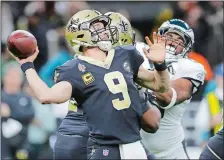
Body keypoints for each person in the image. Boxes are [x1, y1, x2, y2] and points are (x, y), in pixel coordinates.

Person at [11, 9, 169, 159]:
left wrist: (160, 65)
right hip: (103, 148)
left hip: (133, 145)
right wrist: (27, 65)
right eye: (98, 27)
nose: (106, 30)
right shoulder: (73, 69)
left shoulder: (125, 54)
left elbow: (160, 86)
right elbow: (46, 96)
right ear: (81, 34)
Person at [53, 11, 162, 160]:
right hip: (99, 141)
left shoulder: (80, 62)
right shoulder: (122, 58)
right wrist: (143, 95)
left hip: (67, 135)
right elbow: (152, 122)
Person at [140, 19, 206, 159]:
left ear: (187, 47)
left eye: (179, 40)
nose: (172, 42)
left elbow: (166, 97)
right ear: (159, 36)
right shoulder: (140, 52)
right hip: (134, 148)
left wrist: (140, 75)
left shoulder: (190, 67)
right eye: (169, 36)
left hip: (170, 152)